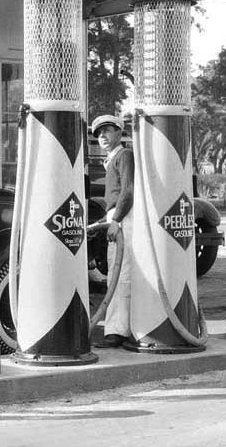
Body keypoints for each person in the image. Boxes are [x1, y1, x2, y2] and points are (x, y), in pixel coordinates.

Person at [89, 114, 135, 349]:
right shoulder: (112, 159)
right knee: (118, 274)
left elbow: (128, 191)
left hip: (124, 218)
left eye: (108, 130)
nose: (103, 136)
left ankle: (118, 332)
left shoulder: (124, 155)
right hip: (118, 217)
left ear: (119, 133)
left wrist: (116, 220)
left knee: (122, 275)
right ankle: (120, 328)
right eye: (98, 134)